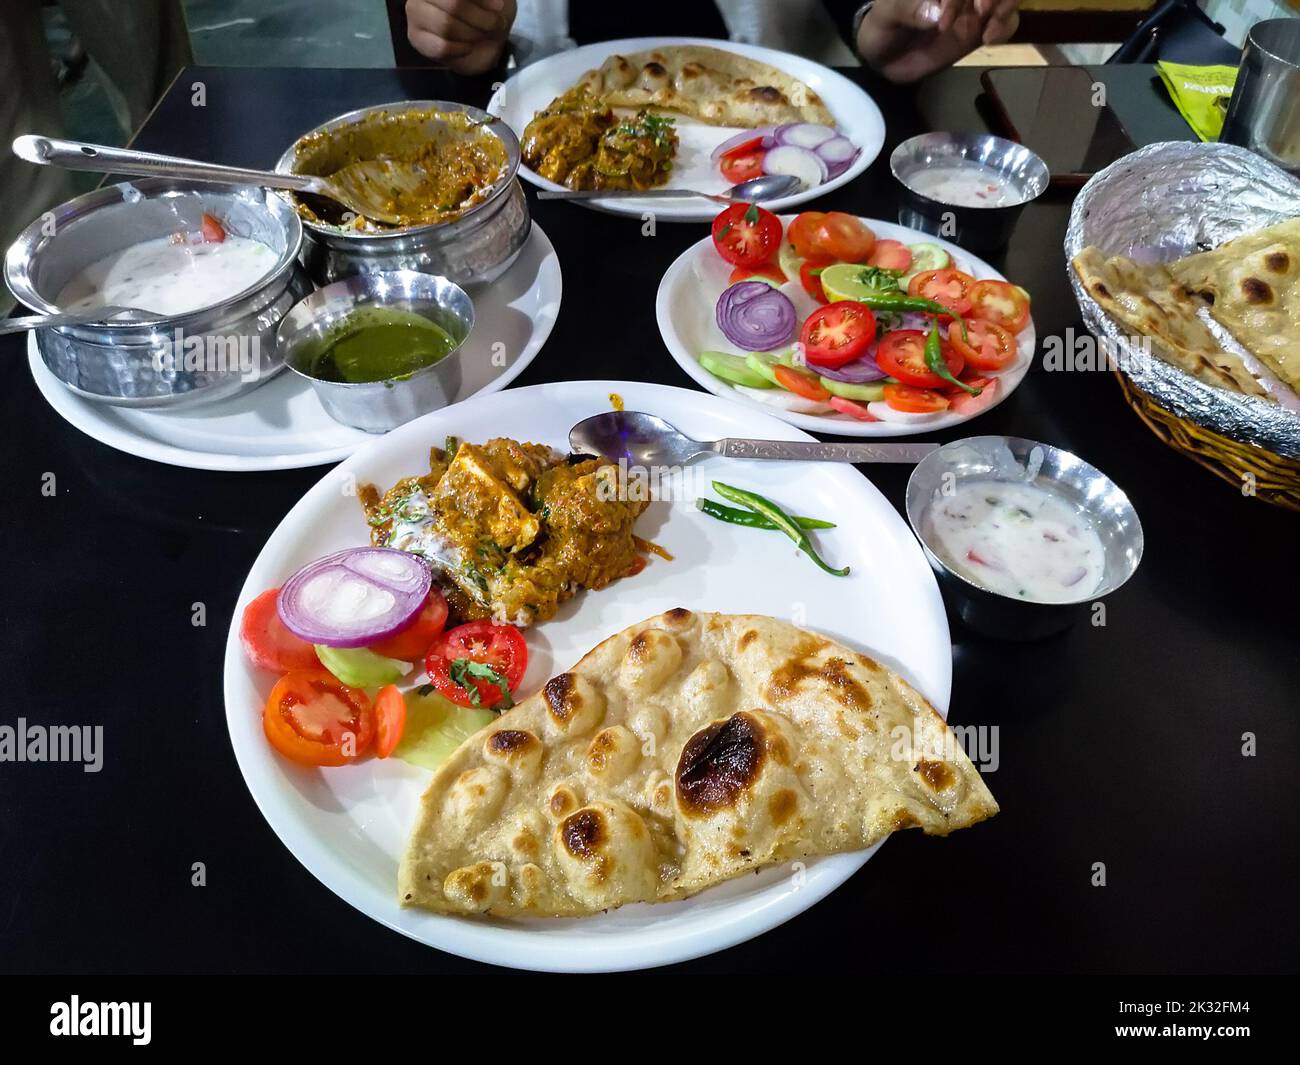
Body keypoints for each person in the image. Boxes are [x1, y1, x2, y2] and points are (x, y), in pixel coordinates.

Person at [403, 0, 1020, 82]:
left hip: (787, 200)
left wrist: (884, 37)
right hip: (535, 218)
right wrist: (461, 49)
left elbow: (866, 9)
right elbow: (435, 30)